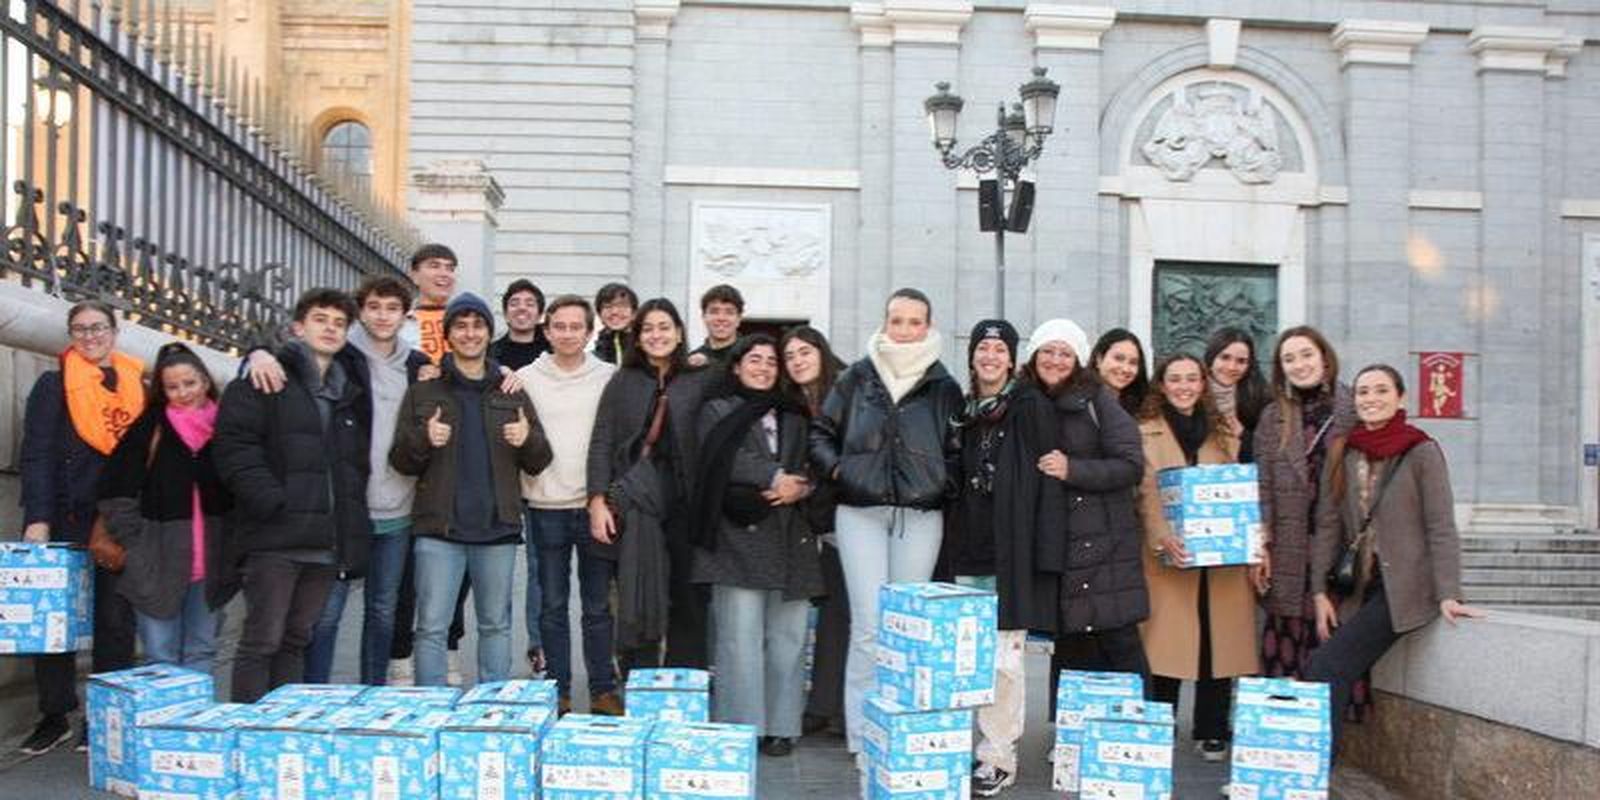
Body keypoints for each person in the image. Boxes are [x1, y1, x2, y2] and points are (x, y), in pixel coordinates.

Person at [808, 288, 961, 755]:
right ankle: (862, 735)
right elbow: (821, 434)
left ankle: (904, 724)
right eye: (898, 320)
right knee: (870, 626)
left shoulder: (943, 386)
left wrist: (938, 484)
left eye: (915, 322)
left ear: (928, 327)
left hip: (918, 516)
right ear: (885, 322)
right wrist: (840, 470)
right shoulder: (856, 378)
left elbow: (957, 451)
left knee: (908, 626)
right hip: (860, 513)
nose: (906, 330)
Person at [1306, 364, 1483, 746]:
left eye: (1381, 390)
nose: (1371, 399)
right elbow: (1328, 525)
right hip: (1359, 586)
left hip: (1404, 587)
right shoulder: (1345, 452)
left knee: (1326, 665)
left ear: (1400, 397)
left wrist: (1448, 593)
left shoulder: (1421, 450)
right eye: (1363, 392)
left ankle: (1315, 773)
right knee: (1326, 666)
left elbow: (1440, 525)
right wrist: (1320, 592)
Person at [213, 288, 373, 702]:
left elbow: (353, 469)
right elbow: (234, 447)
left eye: (339, 323)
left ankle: (282, 731)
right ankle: (247, 728)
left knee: (297, 638)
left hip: (324, 539)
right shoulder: (265, 378)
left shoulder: (346, 392)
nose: (330, 329)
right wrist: (271, 501)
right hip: (275, 537)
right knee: (262, 638)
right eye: (321, 319)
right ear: (298, 327)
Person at [389, 293, 553, 687]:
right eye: (460, 326)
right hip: (439, 530)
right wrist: (425, 439)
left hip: (497, 528)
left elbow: (539, 459)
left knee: (495, 625)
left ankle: (490, 708)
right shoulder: (425, 391)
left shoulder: (510, 390)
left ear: (487, 332)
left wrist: (526, 439)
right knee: (431, 627)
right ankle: (431, 710)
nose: (469, 333)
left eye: (477, 325)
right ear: (448, 335)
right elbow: (401, 460)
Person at [17, 300, 143, 754]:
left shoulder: (136, 385)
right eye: (80, 329)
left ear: (115, 330)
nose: (90, 336)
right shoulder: (54, 385)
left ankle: (101, 717)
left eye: (98, 328)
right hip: (66, 514)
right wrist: (37, 518)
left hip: (118, 518)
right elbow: (37, 454)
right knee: (52, 621)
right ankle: (54, 715)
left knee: (114, 623)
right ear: (71, 334)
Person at [946, 320, 1063, 796]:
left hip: (1008, 552)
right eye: (983, 348)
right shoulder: (964, 410)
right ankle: (957, 745)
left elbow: (1048, 479)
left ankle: (998, 757)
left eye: (1000, 349)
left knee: (1003, 661)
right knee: (964, 659)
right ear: (972, 356)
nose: (991, 356)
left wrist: (1044, 552)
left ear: (1012, 360)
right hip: (964, 549)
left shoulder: (1029, 405)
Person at [691, 334, 822, 757]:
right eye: (755, 359)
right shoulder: (717, 408)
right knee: (739, 640)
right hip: (736, 536)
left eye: (771, 361)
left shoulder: (795, 411)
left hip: (792, 536)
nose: (764, 367)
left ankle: (782, 727)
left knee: (788, 639)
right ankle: (742, 727)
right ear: (736, 366)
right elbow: (723, 458)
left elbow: (815, 460)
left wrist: (802, 486)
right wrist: (774, 477)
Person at [1133, 354, 1259, 762]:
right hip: (1169, 552)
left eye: (1192, 379)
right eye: (1175, 379)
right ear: (1162, 385)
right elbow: (1145, 491)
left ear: (1202, 385)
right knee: (1167, 642)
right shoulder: (1144, 431)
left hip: (1222, 560)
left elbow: (1241, 488)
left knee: (1217, 644)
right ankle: (1161, 722)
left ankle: (1212, 727)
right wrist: (1162, 537)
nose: (1184, 386)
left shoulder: (1226, 432)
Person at [586, 298, 716, 672]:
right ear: (637, 338)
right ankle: (639, 683)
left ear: (679, 333)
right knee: (637, 591)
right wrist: (597, 501)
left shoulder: (700, 377)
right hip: (636, 505)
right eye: (648, 329)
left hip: (687, 506)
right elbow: (602, 441)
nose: (656, 335)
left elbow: (744, 366)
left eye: (664, 327)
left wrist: (706, 359)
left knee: (688, 599)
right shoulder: (623, 381)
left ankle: (684, 684)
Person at [1024, 319, 1150, 699]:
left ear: (1079, 359)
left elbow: (1131, 465)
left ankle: (1141, 728)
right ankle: (1068, 736)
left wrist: (1073, 469)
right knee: (1071, 640)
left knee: (1118, 637)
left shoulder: (1097, 401)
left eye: (1065, 353)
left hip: (1102, 542)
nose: (1056, 360)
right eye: (1048, 351)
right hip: (1056, 540)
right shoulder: (1024, 399)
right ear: (1033, 356)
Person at [96, 343, 233, 677]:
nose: (183, 393)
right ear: (162, 390)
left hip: (212, 562)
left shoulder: (227, 429)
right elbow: (115, 490)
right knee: (160, 656)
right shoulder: (150, 427)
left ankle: (194, 727)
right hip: (156, 561)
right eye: (173, 387)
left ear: (205, 381)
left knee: (202, 650)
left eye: (190, 383)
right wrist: (135, 544)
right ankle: (164, 727)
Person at [516, 295, 622, 714]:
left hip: (594, 506)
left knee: (597, 607)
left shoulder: (608, 376)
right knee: (552, 606)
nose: (567, 334)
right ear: (547, 331)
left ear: (589, 331)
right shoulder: (525, 376)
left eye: (576, 327)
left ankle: (602, 689)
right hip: (544, 506)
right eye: (558, 326)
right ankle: (557, 690)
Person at [1253, 326, 1356, 688]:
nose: (1299, 365)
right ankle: (1280, 737)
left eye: (1306, 354)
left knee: (1331, 642)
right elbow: (1262, 485)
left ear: (1324, 358)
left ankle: (1328, 736)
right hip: (1288, 544)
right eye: (1289, 359)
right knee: (1285, 637)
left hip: (1337, 543)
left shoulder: (1353, 408)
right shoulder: (1272, 417)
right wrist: (1261, 544)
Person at [341, 277, 430, 685]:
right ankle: (313, 694)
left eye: (392, 308)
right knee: (327, 613)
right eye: (375, 306)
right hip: (347, 507)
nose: (382, 315)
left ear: (404, 314)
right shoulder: (340, 356)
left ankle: (372, 691)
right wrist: (256, 354)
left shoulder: (416, 365)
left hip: (399, 506)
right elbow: (287, 358)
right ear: (362, 310)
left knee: (383, 607)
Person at [781, 326, 848, 739]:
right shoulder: (793, 403)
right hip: (812, 523)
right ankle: (823, 704)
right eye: (790, 356)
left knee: (843, 615)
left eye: (805, 352)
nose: (798, 360)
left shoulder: (845, 393)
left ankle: (836, 708)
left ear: (822, 352)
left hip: (848, 518)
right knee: (827, 617)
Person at [1203, 327, 1270, 463]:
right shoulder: (1191, 393)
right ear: (1211, 358)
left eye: (1241, 361)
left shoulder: (1260, 397)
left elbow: (1268, 456)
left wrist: (1242, 433)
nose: (1231, 367)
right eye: (1225, 357)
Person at [1089, 328, 1150, 417]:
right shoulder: (1079, 402)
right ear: (1099, 359)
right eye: (1118, 358)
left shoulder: (1143, 409)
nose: (1126, 369)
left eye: (1133, 362)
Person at [492, 278, 551, 371]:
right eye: (514, 304)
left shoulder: (553, 352)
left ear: (539, 316)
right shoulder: (491, 355)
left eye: (529, 304)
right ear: (505, 314)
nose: (522, 308)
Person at [688, 284, 744, 368]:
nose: (721, 318)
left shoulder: (750, 355)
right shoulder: (692, 362)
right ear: (703, 317)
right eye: (714, 311)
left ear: (739, 319)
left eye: (729, 312)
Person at [592, 282, 638, 365]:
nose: (614, 312)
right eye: (608, 306)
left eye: (622, 306)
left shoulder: (647, 348)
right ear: (599, 314)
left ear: (634, 313)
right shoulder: (591, 348)